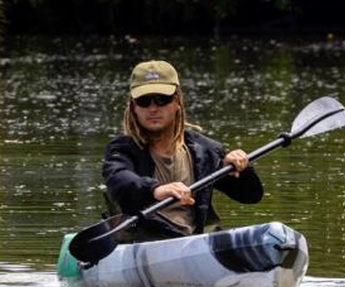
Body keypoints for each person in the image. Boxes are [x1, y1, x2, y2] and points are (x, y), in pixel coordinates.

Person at [102, 60, 263, 241]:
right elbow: (119, 178)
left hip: (196, 242)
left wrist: (239, 169)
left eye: (162, 99)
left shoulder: (205, 150)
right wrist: (155, 190)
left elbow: (251, 195)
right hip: (145, 241)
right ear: (133, 107)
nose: (153, 108)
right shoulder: (121, 149)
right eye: (144, 101)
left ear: (177, 101)